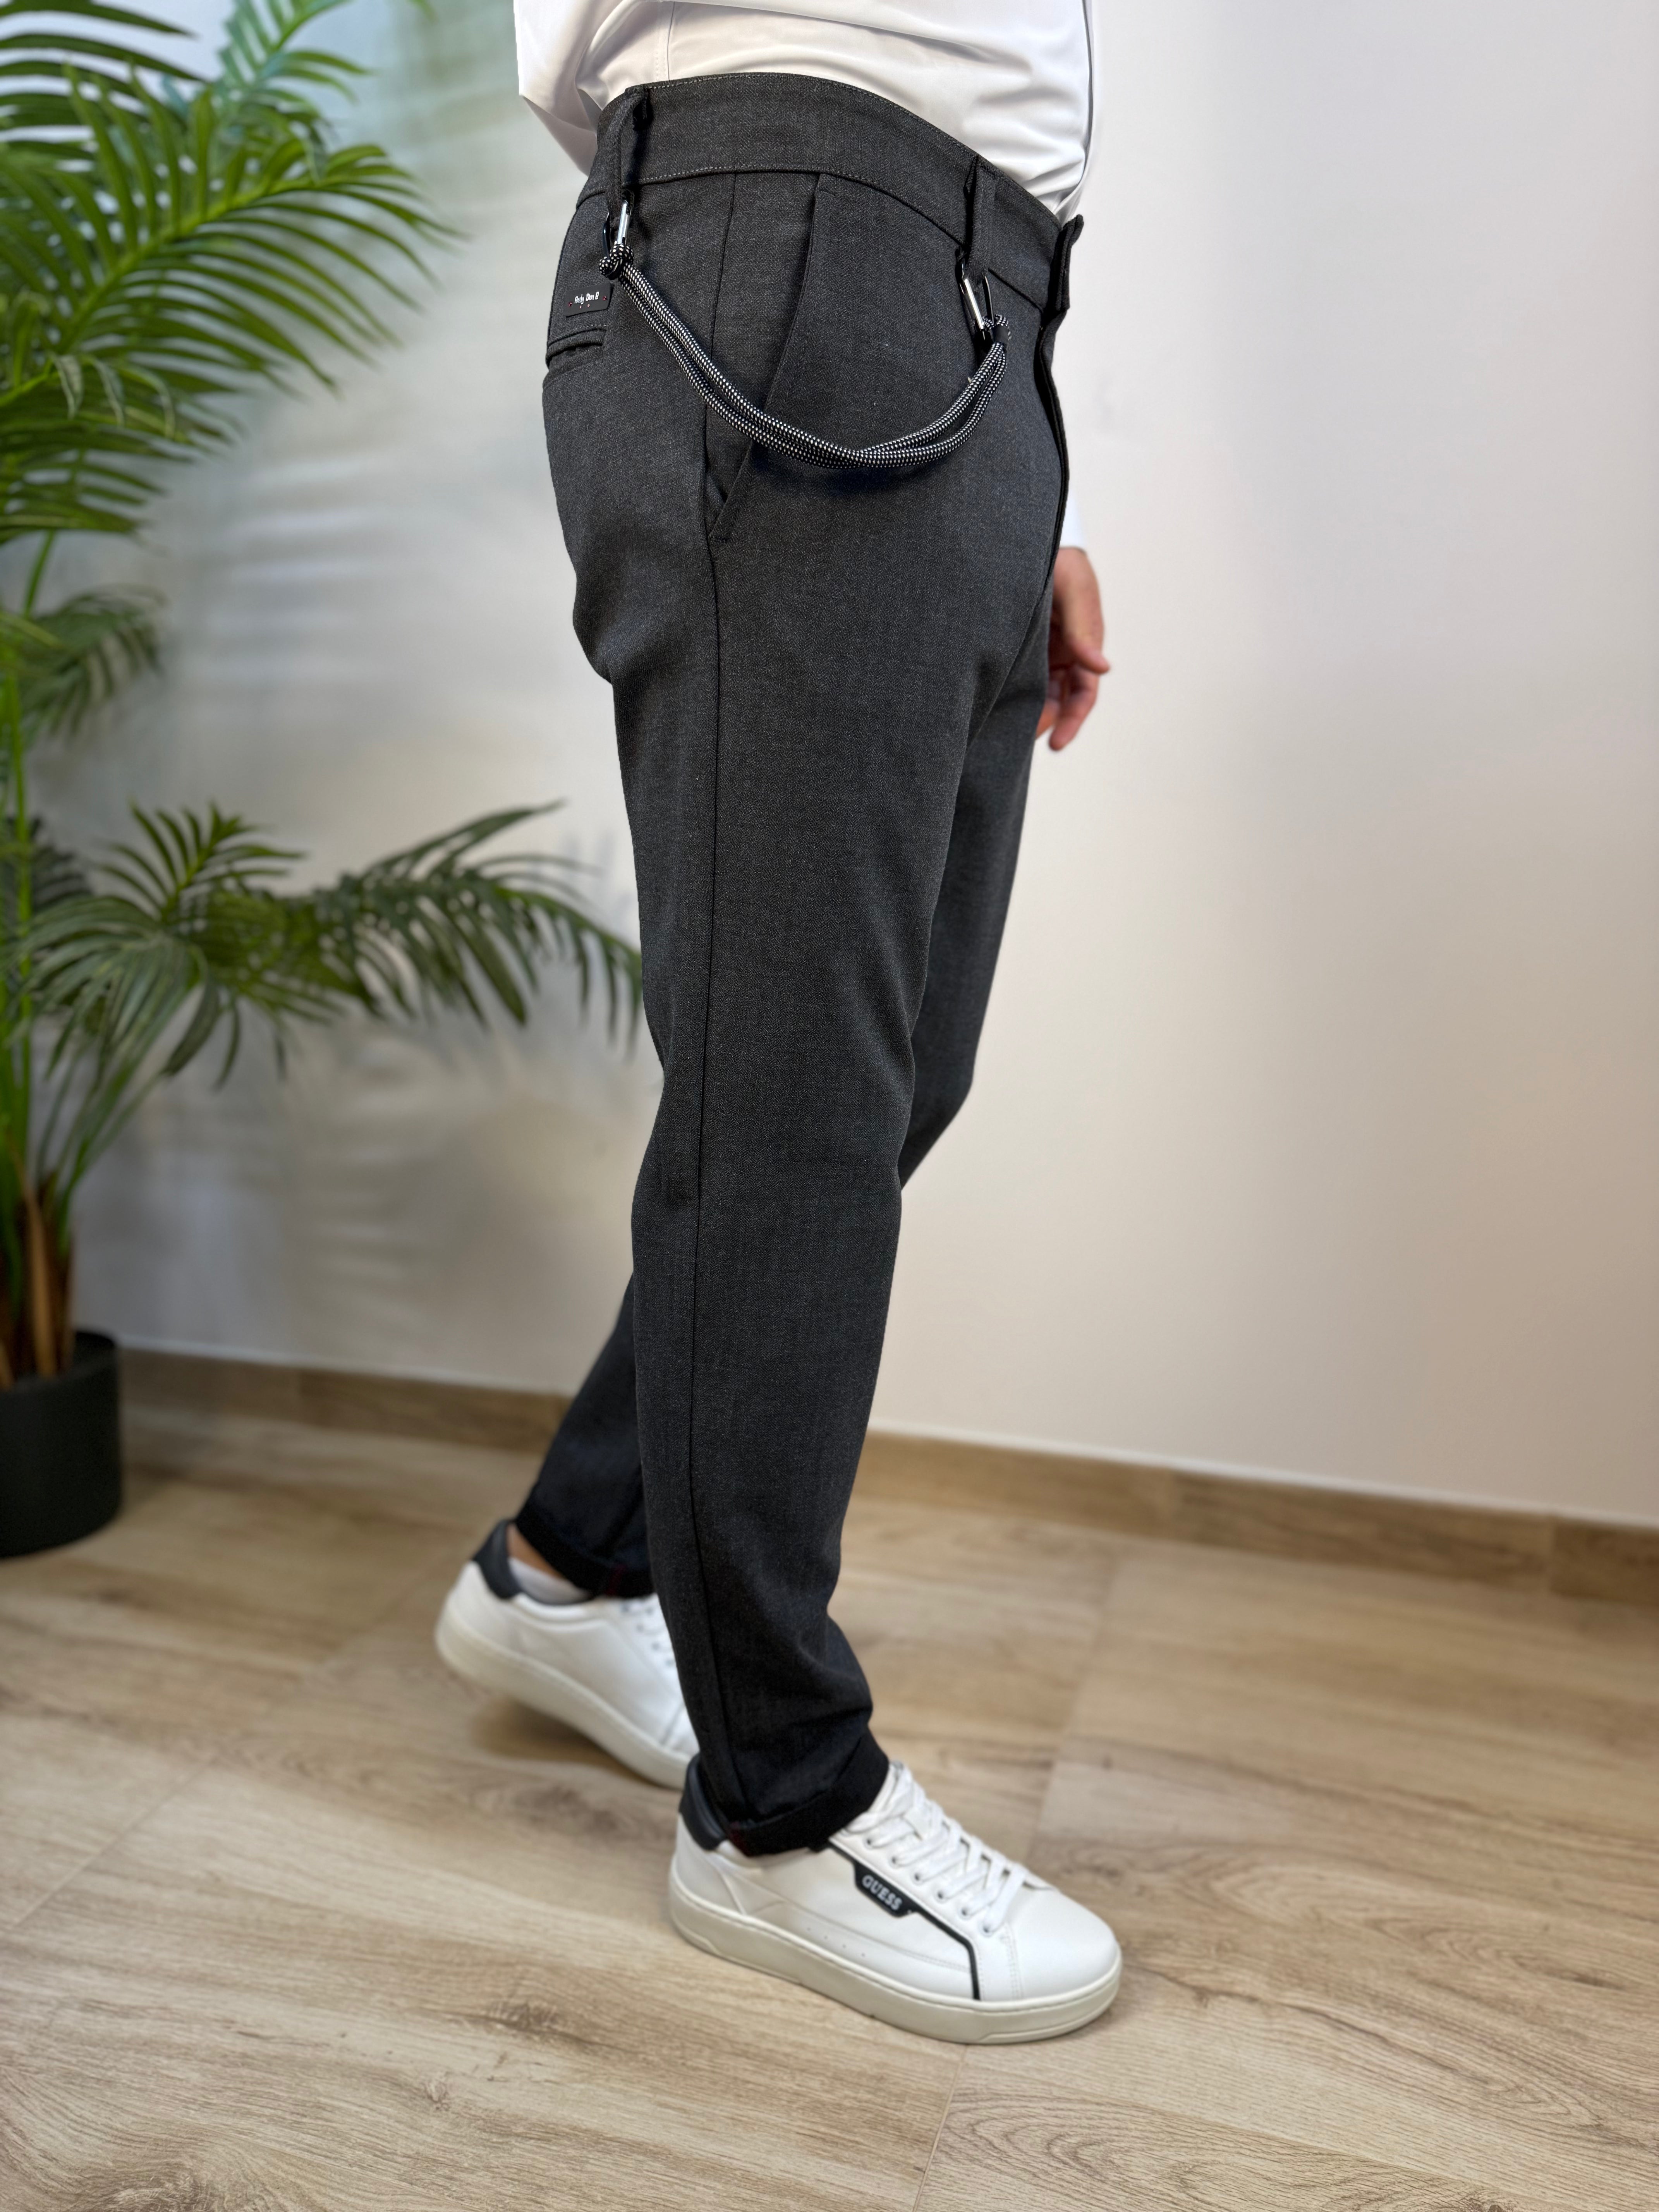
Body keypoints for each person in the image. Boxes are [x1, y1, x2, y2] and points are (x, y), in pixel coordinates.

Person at [436, 2, 1119, 2044]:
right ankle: (780, 1807)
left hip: (974, 308)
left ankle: (575, 1561)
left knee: (888, 1072)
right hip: (800, 234)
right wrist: (794, 236)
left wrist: (1032, 472)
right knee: (797, 1093)